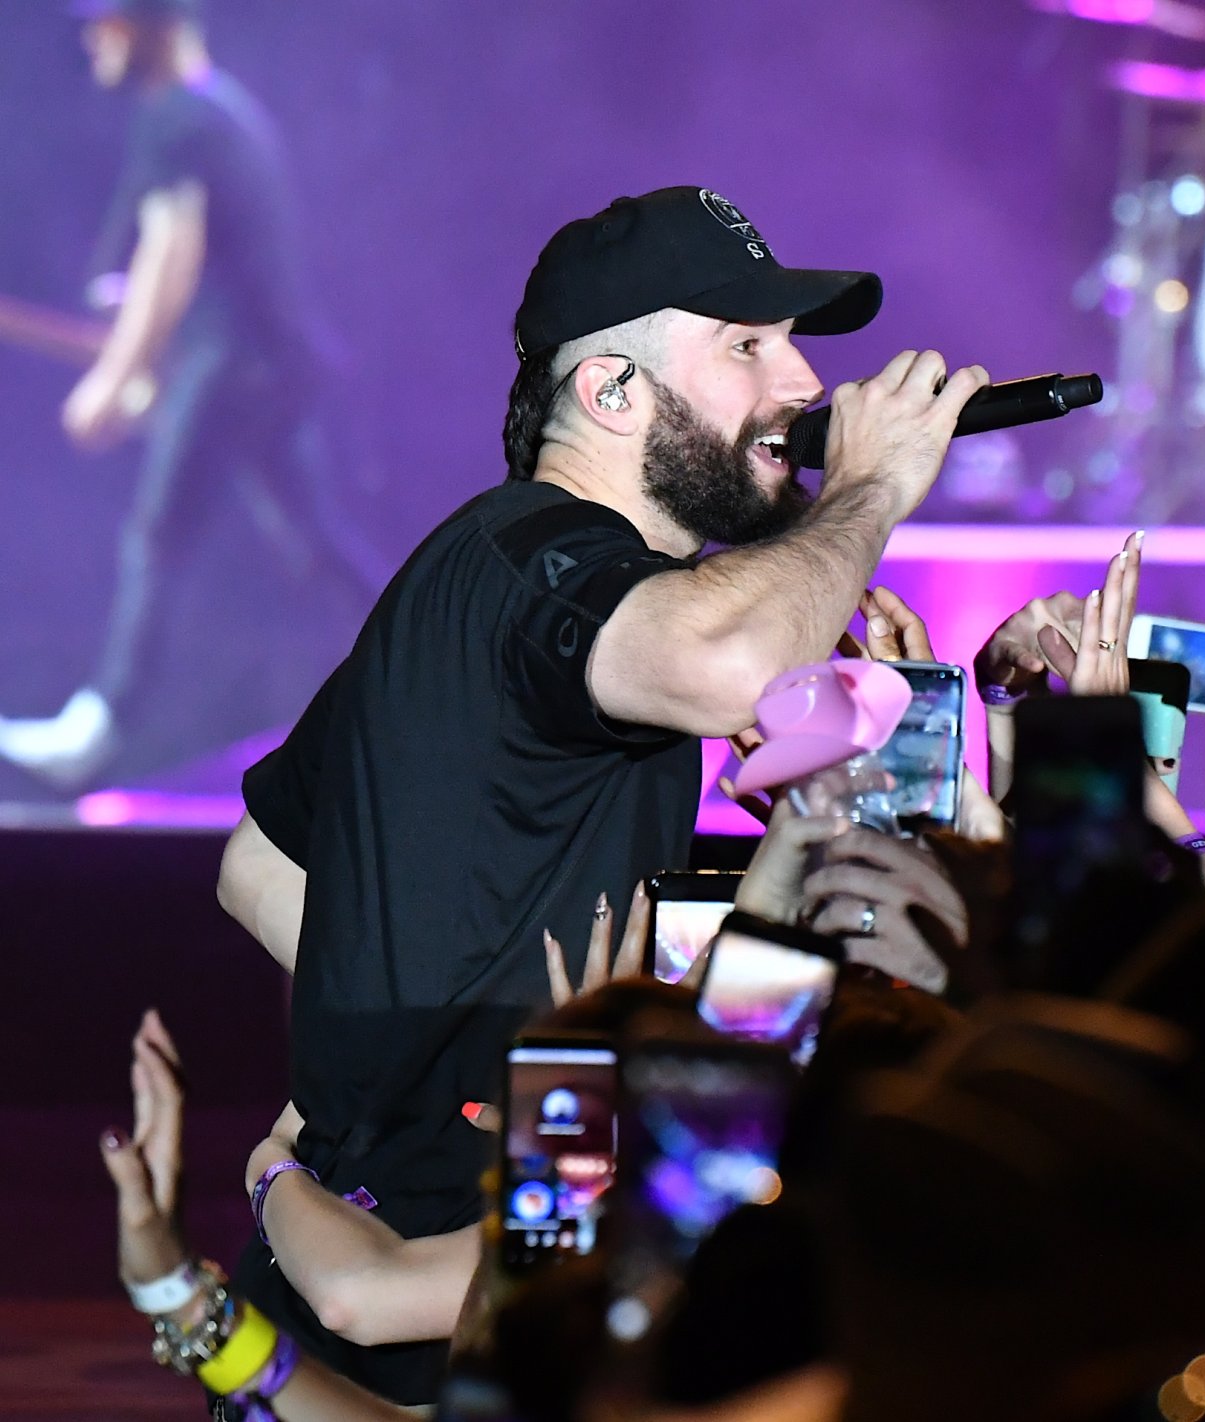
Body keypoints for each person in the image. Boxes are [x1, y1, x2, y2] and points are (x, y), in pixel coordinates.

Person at [210, 182, 988, 1403]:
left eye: (791, 345)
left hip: (510, 1241)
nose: (801, 387)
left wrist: (429, 1017)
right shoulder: (532, 559)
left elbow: (258, 862)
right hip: (424, 1304)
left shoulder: (485, 595)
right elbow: (731, 657)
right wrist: (871, 492)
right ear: (610, 390)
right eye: (746, 345)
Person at [0, 0, 370, 787]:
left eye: (108, 21)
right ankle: (466, 673)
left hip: (233, 368)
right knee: (314, 544)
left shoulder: (180, 121)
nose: (92, 36)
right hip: (265, 365)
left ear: (148, 27)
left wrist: (116, 378)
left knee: (157, 535)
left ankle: (101, 723)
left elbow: (173, 252)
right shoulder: (218, 116)